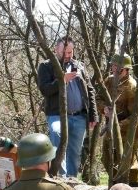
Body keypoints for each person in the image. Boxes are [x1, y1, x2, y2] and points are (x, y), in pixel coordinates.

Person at [36, 36, 99, 177]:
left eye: (70, 52)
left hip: (79, 116)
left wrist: (93, 115)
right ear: (55, 50)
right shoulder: (46, 66)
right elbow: (44, 90)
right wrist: (62, 80)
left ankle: (72, 182)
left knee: (75, 153)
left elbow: (90, 90)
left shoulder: (79, 66)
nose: (67, 55)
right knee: (57, 145)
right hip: (57, 115)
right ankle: (60, 180)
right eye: (64, 52)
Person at [100, 53, 138, 186]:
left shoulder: (133, 86)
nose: (114, 69)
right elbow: (98, 98)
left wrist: (117, 126)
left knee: (129, 166)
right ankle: (115, 188)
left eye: (118, 67)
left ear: (126, 69)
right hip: (111, 128)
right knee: (107, 159)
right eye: (113, 66)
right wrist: (104, 108)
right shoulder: (108, 80)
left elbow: (137, 116)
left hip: (128, 130)